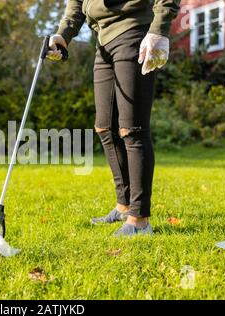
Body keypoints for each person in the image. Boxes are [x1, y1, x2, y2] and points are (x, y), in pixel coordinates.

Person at [47, 0, 181, 236]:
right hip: (104, 43)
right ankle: (124, 206)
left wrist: (159, 28)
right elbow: (76, 5)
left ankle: (139, 220)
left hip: (134, 31)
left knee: (133, 129)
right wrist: (62, 35)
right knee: (105, 128)